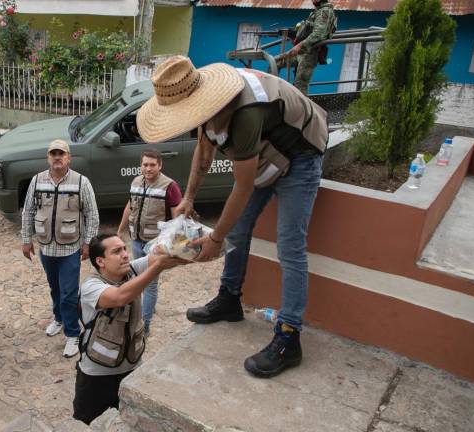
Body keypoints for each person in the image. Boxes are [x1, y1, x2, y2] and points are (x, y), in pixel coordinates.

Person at [135, 56, 328, 378]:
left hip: (301, 152)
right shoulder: (204, 104)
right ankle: (229, 300)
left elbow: (243, 185)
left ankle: (289, 337)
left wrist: (215, 238)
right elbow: (205, 148)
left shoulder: (244, 113)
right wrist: (190, 198)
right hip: (269, 148)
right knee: (238, 231)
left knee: (290, 246)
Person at [73, 233, 186, 424]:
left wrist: (194, 242)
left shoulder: (132, 269)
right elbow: (119, 297)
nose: (125, 254)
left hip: (133, 368)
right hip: (97, 375)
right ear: (100, 261)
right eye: (117, 251)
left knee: (132, 422)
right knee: (85, 422)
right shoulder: (91, 287)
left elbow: (170, 257)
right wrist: (156, 267)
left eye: (125, 249)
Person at [21, 139, 99, 358]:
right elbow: (28, 211)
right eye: (53, 154)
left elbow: (91, 215)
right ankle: (59, 318)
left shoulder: (81, 182)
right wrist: (26, 239)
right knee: (55, 288)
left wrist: (88, 244)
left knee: (68, 293)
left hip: (70, 249)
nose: (57, 157)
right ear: (48, 158)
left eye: (61, 154)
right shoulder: (37, 181)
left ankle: (73, 334)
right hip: (46, 247)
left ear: (68, 158)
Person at [116, 149, 182, 335]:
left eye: (152, 165)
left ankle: (144, 325)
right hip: (136, 240)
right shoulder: (136, 182)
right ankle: (147, 309)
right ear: (141, 165)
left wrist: (171, 244)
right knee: (138, 277)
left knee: (150, 283)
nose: (148, 168)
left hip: (156, 244)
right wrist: (120, 230)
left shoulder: (170, 186)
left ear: (160, 165)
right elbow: (130, 206)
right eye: (145, 164)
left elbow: (177, 216)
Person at [283, 0, 337, 95]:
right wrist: (296, 38)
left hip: (310, 52)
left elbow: (318, 34)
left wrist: (300, 45)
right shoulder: (318, 10)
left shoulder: (324, 11)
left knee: (300, 85)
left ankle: (301, 108)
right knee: (275, 62)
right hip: (304, 51)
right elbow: (308, 30)